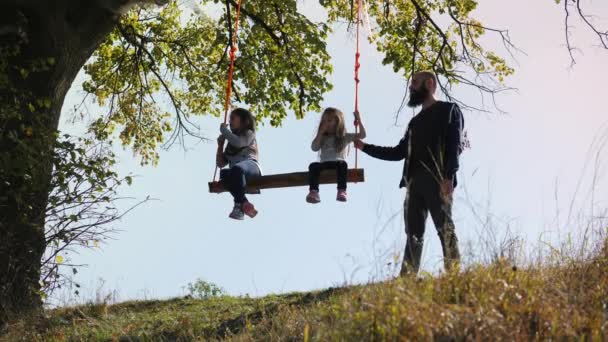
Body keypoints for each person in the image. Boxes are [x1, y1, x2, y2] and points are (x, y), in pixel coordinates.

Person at [354, 71, 464, 275]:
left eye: (415, 82)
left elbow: (454, 144)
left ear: (430, 84)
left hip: (438, 179)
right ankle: (407, 281)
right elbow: (398, 152)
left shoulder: (449, 110)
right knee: (413, 233)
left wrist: (449, 176)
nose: (411, 87)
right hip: (414, 185)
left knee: (445, 227)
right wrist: (364, 147)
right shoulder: (414, 123)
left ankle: (454, 273)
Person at [306, 107, 366, 203]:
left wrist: (358, 119)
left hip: (337, 164)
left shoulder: (344, 137)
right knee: (313, 166)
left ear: (337, 122)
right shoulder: (323, 137)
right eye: (324, 121)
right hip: (324, 164)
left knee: (343, 164)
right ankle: (314, 191)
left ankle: (341, 190)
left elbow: (362, 135)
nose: (326, 124)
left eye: (329, 120)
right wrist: (320, 133)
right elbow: (314, 147)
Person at [216, 108, 261, 220]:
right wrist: (220, 146)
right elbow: (221, 164)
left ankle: (238, 204)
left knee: (236, 169)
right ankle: (243, 202)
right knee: (224, 174)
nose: (230, 121)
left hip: (251, 167)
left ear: (243, 121)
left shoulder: (249, 134)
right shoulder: (230, 145)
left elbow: (240, 143)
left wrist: (224, 132)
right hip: (237, 173)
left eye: (232, 118)